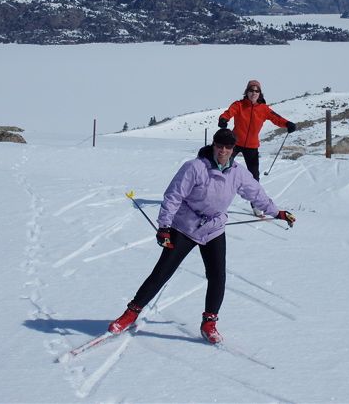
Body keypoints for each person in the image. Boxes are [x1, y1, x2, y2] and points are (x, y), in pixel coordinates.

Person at [108, 129, 296, 344]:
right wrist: (164, 227)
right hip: (185, 226)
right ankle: (131, 313)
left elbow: (256, 194)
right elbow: (173, 196)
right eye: (219, 146)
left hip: (213, 228)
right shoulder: (194, 167)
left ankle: (209, 322)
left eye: (228, 147)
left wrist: (277, 212)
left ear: (234, 150)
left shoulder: (238, 172)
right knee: (162, 272)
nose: (223, 151)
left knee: (217, 276)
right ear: (213, 145)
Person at [218, 80, 297, 216]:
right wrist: (223, 119)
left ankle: (256, 205)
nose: (253, 93)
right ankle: (215, 201)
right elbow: (228, 112)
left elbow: (276, 118)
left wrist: (288, 124)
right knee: (222, 169)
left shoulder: (264, 109)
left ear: (260, 93)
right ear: (247, 92)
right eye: (251, 90)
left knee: (254, 178)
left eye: (256, 91)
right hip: (235, 143)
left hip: (252, 146)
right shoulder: (239, 105)